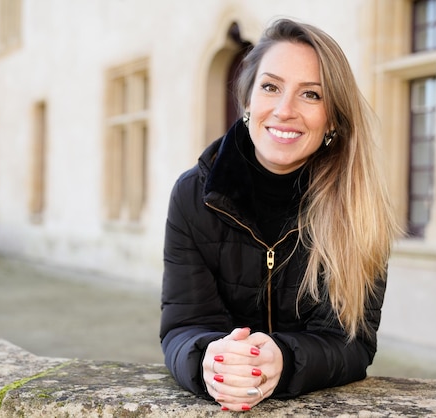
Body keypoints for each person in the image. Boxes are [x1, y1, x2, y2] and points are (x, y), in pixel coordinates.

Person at [160, 18, 400, 412]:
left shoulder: (360, 206)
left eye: (311, 95)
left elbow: (352, 343)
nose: (285, 110)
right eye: (271, 87)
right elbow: (184, 325)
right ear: (248, 100)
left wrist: (283, 361)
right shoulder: (193, 196)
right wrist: (211, 361)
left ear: (333, 119)